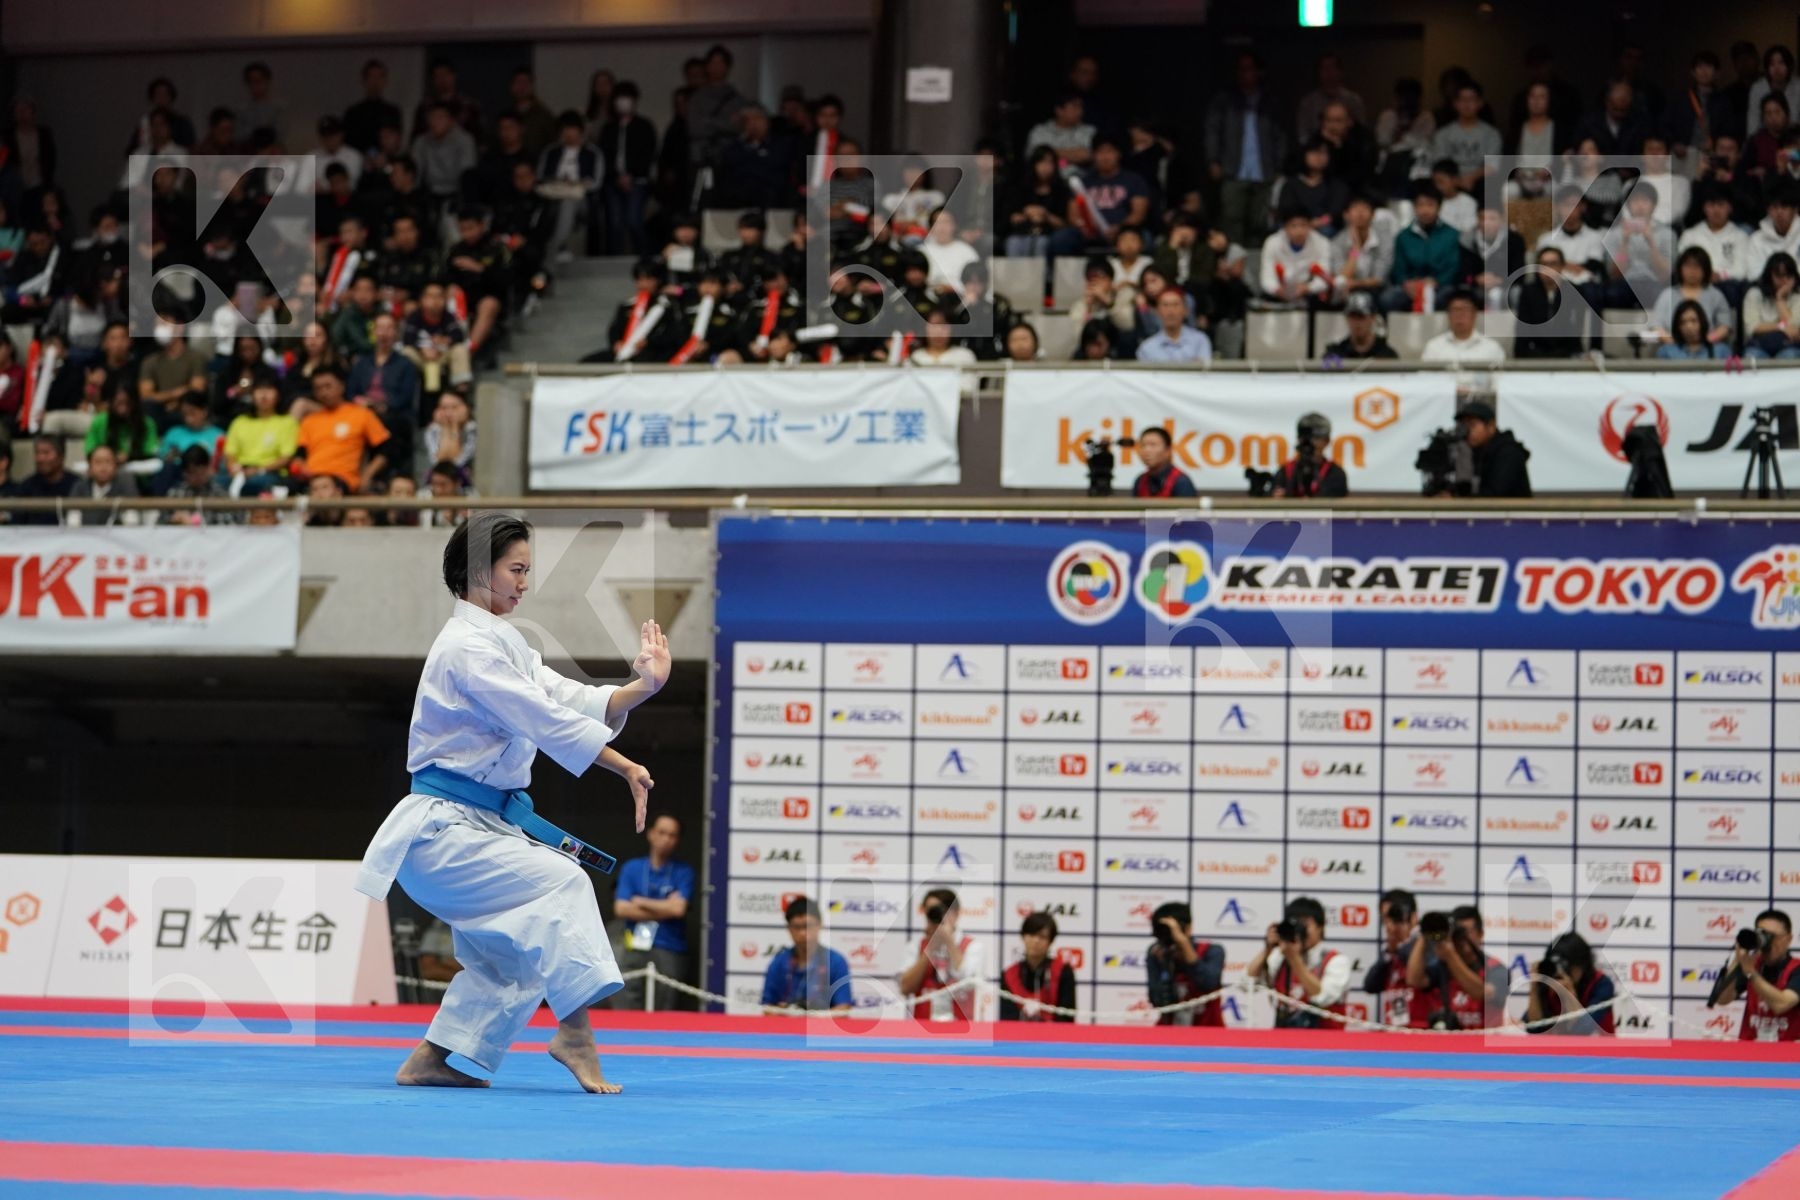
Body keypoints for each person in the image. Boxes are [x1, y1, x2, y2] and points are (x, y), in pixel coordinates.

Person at [353, 514, 668, 1092]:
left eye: (528, 571)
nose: (525, 583)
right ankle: (575, 1033)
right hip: (442, 834)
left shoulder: (506, 644)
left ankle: (433, 1057)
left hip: (480, 829)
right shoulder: (467, 649)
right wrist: (623, 766)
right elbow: (543, 718)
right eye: (515, 570)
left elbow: (562, 696)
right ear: (480, 572)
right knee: (562, 883)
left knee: (511, 958)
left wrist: (640, 687)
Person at [611, 813, 696, 1012]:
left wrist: (639, 902)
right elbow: (621, 908)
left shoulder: (684, 872)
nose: (666, 839)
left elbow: (678, 909)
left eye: (672, 835)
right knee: (625, 1007)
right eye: (662, 833)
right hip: (633, 945)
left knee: (663, 1011)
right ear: (651, 834)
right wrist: (664, 907)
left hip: (669, 947)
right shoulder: (632, 868)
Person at [1205, 52, 1286, 247]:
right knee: (1232, 220)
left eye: (1250, 69)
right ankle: (1234, 268)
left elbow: (1280, 135)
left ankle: (1255, 268)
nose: (1245, 74)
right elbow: (1212, 131)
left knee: (1260, 222)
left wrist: (1279, 167)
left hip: (1264, 171)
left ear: (1259, 72)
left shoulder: (1270, 100)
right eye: (1242, 69)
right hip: (1233, 170)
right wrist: (1213, 160)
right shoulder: (1225, 100)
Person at [1248, 896, 1351, 1029]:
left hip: (1326, 1045)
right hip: (1284, 1043)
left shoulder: (1337, 961)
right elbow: (1246, 984)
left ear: (1320, 927)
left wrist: (1294, 959)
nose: (1300, 931)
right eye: (1296, 924)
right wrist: (1267, 950)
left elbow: (1321, 997)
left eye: (1305, 924)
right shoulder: (1280, 958)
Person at [1407, 906, 1508, 1030]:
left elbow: (1481, 992)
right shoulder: (1443, 966)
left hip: (1484, 1044)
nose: (1462, 938)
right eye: (1458, 932)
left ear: (1480, 933)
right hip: (1452, 1044)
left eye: (1468, 931)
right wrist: (1426, 933)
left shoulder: (1496, 968)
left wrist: (1451, 956)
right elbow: (1414, 980)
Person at [296, 365, 389, 493]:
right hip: (312, 478)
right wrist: (301, 467)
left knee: (325, 489)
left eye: (328, 386)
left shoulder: (361, 414)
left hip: (343, 480)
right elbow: (299, 454)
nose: (323, 392)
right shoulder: (309, 420)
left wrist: (367, 475)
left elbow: (386, 449)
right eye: (318, 388)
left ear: (341, 386)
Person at [1708, 910, 1799, 1041]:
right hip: (1750, 1052)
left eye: (1773, 936)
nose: (1768, 941)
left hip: (1788, 1055)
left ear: (1788, 939)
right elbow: (1723, 999)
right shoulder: (1752, 965)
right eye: (1762, 935)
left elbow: (1781, 1004)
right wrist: (1738, 959)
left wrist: (1750, 972)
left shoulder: (1796, 969)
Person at [898, 888, 983, 1022]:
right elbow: (905, 988)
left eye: (940, 911)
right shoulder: (916, 946)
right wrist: (929, 950)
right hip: (922, 1030)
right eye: (931, 912)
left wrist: (948, 941)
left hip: (962, 1030)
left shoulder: (972, 946)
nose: (936, 917)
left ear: (955, 914)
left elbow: (970, 983)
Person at [762, 897, 854, 1014]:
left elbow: (843, 1010)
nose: (803, 933)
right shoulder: (779, 963)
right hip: (786, 1029)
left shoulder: (835, 962)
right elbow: (767, 1009)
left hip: (824, 1029)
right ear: (789, 929)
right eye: (797, 927)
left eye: (808, 926)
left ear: (819, 925)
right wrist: (784, 1013)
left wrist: (812, 1017)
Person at [1384, 182, 1461, 312]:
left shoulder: (1452, 234)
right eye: (1420, 205)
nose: (1425, 210)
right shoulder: (1403, 237)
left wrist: (1436, 282)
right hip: (1410, 287)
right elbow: (1398, 269)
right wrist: (1407, 283)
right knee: (1389, 298)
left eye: (1430, 205)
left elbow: (1453, 267)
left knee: (1449, 295)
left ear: (1439, 207)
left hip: (1440, 287)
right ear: (1414, 207)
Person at [1363, 890, 1434, 1030]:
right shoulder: (1391, 949)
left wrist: (1403, 944)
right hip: (1393, 1029)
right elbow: (1370, 986)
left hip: (1422, 1030)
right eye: (1385, 918)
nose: (1389, 924)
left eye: (1395, 917)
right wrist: (1389, 952)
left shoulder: (1426, 942)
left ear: (1413, 917)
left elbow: (1427, 973)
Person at [1145, 902, 1223, 1026]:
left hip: (1208, 1031)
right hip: (1169, 1031)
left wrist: (1184, 944)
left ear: (1188, 928)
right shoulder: (1157, 953)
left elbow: (1208, 984)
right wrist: (1164, 964)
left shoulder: (1212, 951)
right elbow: (1157, 1001)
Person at [1525, 931, 1615, 1035]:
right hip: (1555, 1049)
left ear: (1582, 965)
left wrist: (1568, 993)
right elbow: (1533, 1028)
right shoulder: (1549, 983)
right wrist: (1535, 986)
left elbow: (1582, 1029)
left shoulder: (1601, 984)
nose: (1561, 971)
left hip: (1598, 1048)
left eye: (1566, 965)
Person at [998, 912, 1076, 1023]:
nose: (1036, 941)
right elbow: (1006, 1018)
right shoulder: (1009, 975)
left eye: (1042, 937)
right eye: (1031, 935)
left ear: (1050, 941)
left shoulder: (1063, 972)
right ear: (1023, 937)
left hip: (1054, 1037)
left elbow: (1067, 1018)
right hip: (1018, 1037)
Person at [1452, 399, 1532, 497]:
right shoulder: (1475, 452)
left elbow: (1494, 496)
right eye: (1464, 425)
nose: (1467, 431)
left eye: (1472, 425)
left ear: (1491, 426)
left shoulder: (1508, 453)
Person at [1258, 207, 1333, 304]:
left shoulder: (1322, 243)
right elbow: (1267, 276)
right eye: (1293, 226)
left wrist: (1308, 287)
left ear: (1310, 226)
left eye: (1303, 225)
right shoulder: (1272, 242)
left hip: (1308, 290)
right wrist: (1277, 289)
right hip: (1280, 290)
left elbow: (1324, 276)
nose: (1299, 231)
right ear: (1285, 227)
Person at [1271, 412, 1348, 499]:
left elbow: (1336, 504)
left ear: (1327, 441)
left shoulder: (1335, 473)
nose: (1309, 444)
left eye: (1316, 438)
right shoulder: (1286, 471)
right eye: (1305, 438)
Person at [1421, 288, 1505, 365]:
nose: (1459, 315)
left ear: (1475, 314)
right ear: (1448, 315)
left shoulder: (1492, 348)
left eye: (1465, 310)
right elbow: (1426, 378)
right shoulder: (1434, 347)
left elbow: (1500, 379)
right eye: (1455, 310)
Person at [1744, 251, 1800, 359]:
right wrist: (1781, 327)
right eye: (1779, 275)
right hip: (1760, 345)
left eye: (1788, 276)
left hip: (1789, 345)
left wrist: (1780, 299)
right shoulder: (1754, 294)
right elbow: (1752, 327)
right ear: (1770, 276)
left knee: (1790, 356)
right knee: (1752, 355)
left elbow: (1794, 329)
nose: (1784, 280)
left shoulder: (1798, 298)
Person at [69, 444, 141, 525]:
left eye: (108, 461)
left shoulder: (126, 485)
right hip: (85, 535)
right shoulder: (80, 487)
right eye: (98, 462)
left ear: (116, 466)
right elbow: (73, 520)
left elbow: (132, 520)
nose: (103, 467)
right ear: (89, 467)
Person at [1136, 287, 1211, 363]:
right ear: (1157, 311)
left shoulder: (1200, 340)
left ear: (1186, 311)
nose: (1170, 311)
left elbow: (1203, 372)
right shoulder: (1146, 348)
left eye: (1175, 305)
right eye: (1165, 305)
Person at [14, 436, 78, 524]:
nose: (40, 458)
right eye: (37, 453)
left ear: (61, 456)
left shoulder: (76, 485)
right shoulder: (26, 487)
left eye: (46, 453)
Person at [1324, 291, 1397, 360]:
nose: (1356, 322)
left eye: (1361, 316)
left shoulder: (1386, 355)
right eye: (1352, 316)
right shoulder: (1336, 354)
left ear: (1373, 318)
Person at [1131, 425, 1196, 498]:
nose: (1146, 450)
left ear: (1167, 450)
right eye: (1143, 445)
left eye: (1153, 445)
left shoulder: (1181, 482)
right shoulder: (1140, 481)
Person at [1658, 299, 1730, 360]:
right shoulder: (1666, 351)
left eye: (1694, 320)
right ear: (1677, 327)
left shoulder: (1721, 351)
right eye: (1683, 322)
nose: (1689, 327)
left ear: (1702, 322)